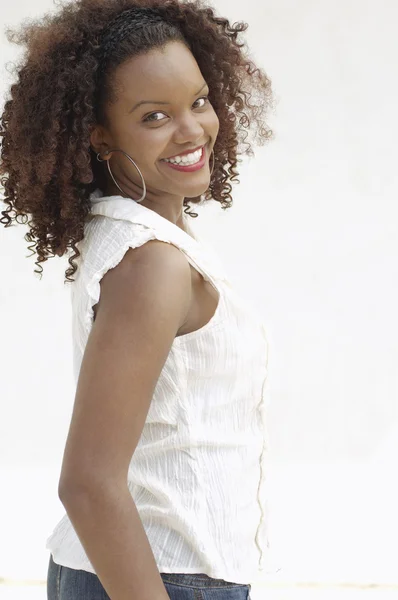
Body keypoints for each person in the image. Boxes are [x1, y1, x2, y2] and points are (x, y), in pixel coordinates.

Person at [0, 1, 277, 598]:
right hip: (156, 578)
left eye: (199, 101)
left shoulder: (131, 235)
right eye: (154, 116)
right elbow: (88, 482)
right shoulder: (151, 262)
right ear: (99, 136)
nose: (193, 130)